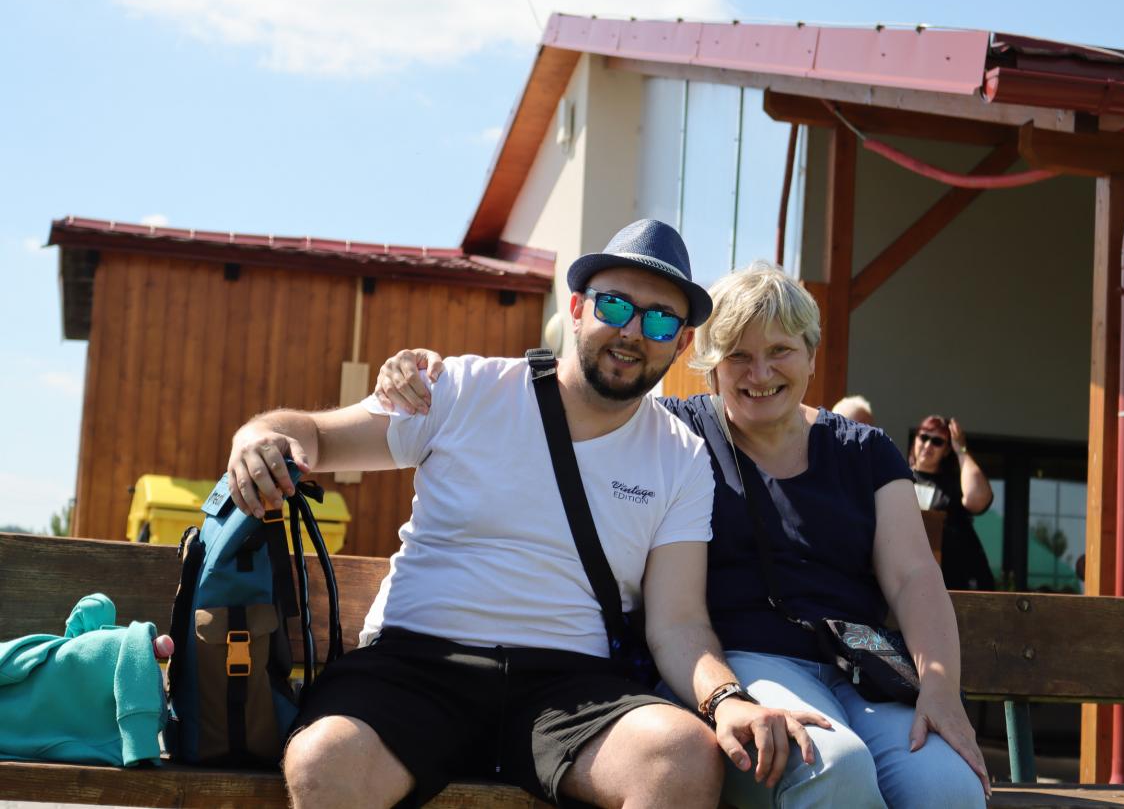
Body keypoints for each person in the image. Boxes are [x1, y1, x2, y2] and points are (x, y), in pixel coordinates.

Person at [228, 221, 824, 809]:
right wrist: (259, 437)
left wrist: (726, 700)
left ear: (682, 344)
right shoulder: (463, 389)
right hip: (417, 665)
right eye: (615, 305)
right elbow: (314, 435)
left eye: (661, 320)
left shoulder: (682, 457)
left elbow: (678, 622)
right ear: (577, 307)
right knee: (325, 757)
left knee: (683, 756)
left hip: (570, 688)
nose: (632, 332)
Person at [377, 261, 989, 808]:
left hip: (860, 668)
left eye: (780, 350)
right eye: (738, 355)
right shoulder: (672, 435)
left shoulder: (864, 450)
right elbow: (564, 404)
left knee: (949, 788)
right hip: (736, 664)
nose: (760, 373)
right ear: (707, 362)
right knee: (832, 768)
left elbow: (913, 575)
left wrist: (940, 689)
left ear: (811, 352)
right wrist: (430, 375)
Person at [908, 415, 995, 591]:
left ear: (947, 450)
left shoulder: (952, 485)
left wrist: (961, 450)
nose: (928, 445)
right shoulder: (898, 478)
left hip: (953, 582)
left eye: (937, 442)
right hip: (910, 581)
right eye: (923, 437)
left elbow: (978, 500)